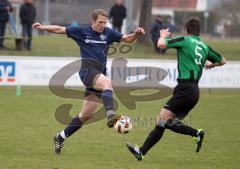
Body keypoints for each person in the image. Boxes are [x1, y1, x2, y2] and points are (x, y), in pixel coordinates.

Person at [32, 9, 145, 154]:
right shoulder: (81, 31)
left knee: (85, 115)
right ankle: (111, 114)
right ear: (93, 21)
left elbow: (127, 39)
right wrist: (43, 27)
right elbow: (60, 29)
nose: (102, 25)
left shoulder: (108, 33)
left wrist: (136, 34)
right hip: (87, 71)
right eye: (100, 22)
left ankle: (60, 137)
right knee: (108, 84)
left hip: (99, 74)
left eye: (105, 22)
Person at [126, 17, 226, 161]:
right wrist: (212, 65)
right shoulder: (205, 46)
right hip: (193, 92)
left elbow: (160, 45)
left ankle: (195, 133)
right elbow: (223, 60)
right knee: (163, 121)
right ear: (199, 31)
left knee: (163, 120)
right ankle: (141, 151)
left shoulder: (184, 40)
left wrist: (163, 36)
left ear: (186, 29)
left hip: (185, 89)